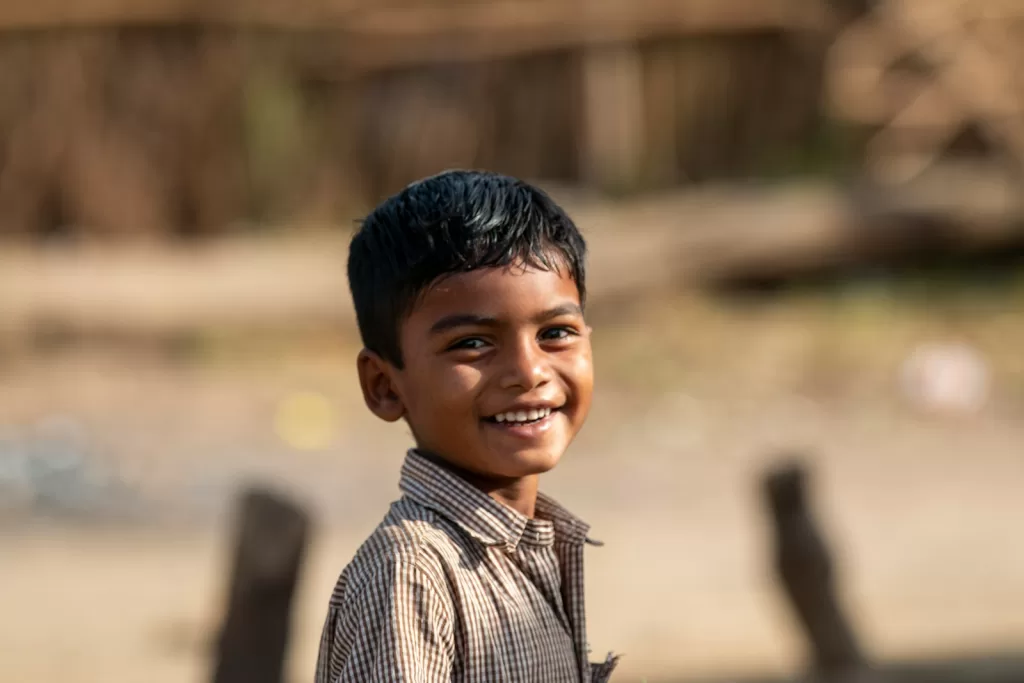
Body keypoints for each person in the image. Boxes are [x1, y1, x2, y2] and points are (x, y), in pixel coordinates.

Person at [315, 170, 618, 682]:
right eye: (472, 343)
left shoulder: (529, 546)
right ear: (384, 386)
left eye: (556, 333)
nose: (528, 373)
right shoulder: (412, 576)